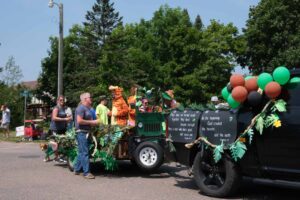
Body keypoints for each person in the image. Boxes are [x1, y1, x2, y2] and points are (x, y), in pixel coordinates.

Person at [74, 92, 100, 179]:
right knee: (85, 152)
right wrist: (92, 122)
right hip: (81, 132)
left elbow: (90, 121)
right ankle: (86, 173)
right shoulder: (80, 108)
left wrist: (95, 123)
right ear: (85, 99)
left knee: (82, 152)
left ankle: (77, 169)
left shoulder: (87, 108)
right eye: (90, 97)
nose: (91, 98)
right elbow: (79, 121)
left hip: (86, 132)